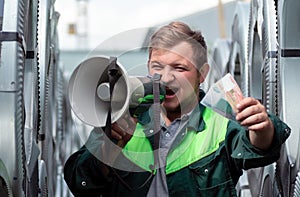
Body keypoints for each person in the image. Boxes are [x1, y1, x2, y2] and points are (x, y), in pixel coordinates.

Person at [64, 21, 290, 197]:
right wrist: (109, 150)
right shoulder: (120, 121)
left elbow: (259, 148)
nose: (166, 77)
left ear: (202, 74)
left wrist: (263, 127)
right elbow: (79, 183)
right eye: (157, 67)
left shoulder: (219, 125)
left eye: (179, 67)